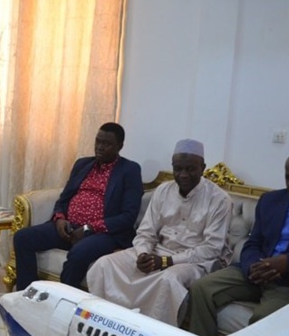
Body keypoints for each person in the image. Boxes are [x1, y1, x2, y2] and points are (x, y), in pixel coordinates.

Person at [187, 150, 289, 336]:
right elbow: (253, 243)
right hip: (255, 274)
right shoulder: (271, 201)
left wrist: (288, 262)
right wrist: (252, 266)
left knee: (263, 319)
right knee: (201, 288)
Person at [86, 139, 233, 325]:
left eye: (190, 169)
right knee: (104, 264)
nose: (183, 175)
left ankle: (150, 335)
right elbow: (146, 232)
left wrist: (165, 261)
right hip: (157, 251)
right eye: (178, 169)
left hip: (196, 261)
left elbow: (211, 249)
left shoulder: (219, 199)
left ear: (202, 168)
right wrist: (143, 253)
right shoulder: (163, 190)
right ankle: (103, 324)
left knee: (169, 280)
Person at [13, 122, 143, 290]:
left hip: (103, 233)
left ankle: (63, 300)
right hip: (68, 227)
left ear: (120, 146)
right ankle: (27, 293)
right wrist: (60, 219)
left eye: (106, 144)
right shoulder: (82, 164)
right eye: (98, 141)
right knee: (23, 237)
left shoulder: (129, 170)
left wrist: (89, 228)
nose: (100, 147)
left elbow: (128, 216)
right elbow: (64, 199)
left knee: (78, 253)